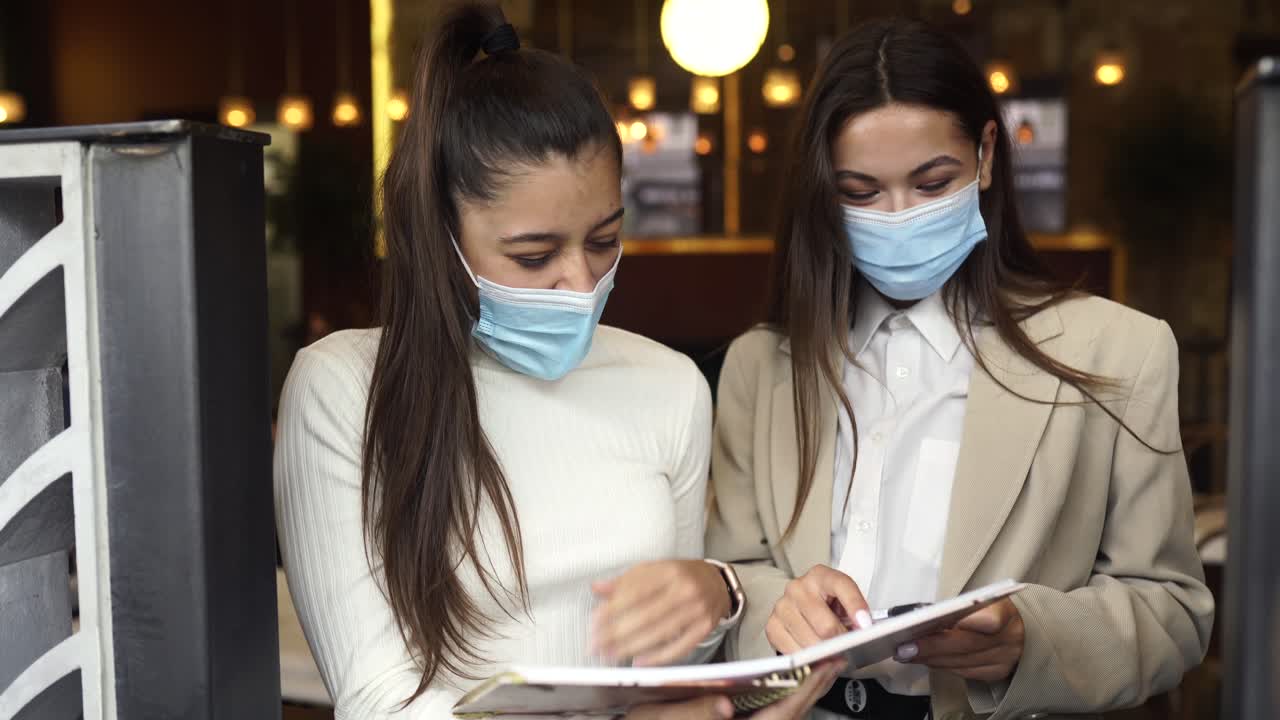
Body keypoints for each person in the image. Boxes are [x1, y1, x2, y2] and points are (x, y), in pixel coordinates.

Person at [274, 3, 833, 718]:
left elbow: (672, 676)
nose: (582, 281)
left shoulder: (671, 387)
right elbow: (383, 704)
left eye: (604, 239)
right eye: (534, 255)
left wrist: (716, 597)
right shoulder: (344, 389)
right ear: (438, 234)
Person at [706, 17, 1215, 720]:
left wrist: (1028, 641)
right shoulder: (760, 366)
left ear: (984, 157)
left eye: (930, 181)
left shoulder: (1118, 353)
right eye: (859, 192)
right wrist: (779, 609)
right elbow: (729, 579)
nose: (898, 215)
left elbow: (1173, 613)